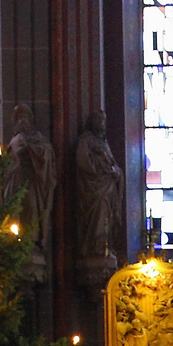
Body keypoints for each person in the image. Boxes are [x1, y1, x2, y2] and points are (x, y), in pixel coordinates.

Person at [0, 104, 57, 250]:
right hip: (16, 179)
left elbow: (46, 154)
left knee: (31, 206)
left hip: (31, 180)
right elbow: (8, 162)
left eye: (24, 116)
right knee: (15, 209)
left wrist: (31, 150)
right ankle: (15, 242)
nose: (22, 120)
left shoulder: (38, 138)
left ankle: (32, 241)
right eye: (18, 118)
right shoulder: (15, 139)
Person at [75, 110, 122, 263]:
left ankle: (103, 246)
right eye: (98, 120)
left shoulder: (104, 143)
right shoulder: (86, 140)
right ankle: (95, 247)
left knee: (107, 213)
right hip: (94, 187)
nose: (101, 123)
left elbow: (114, 165)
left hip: (108, 186)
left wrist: (116, 173)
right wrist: (98, 171)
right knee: (100, 208)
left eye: (103, 120)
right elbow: (83, 162)